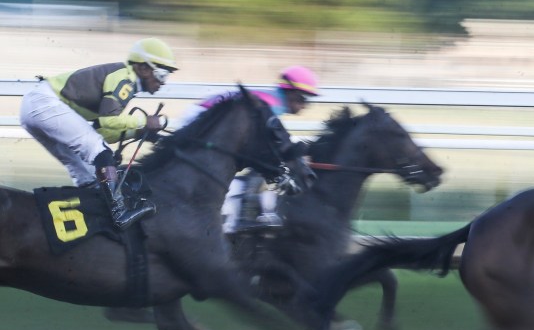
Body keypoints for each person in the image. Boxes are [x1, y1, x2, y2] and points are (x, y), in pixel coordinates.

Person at [19, 37, 177, 229]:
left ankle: (92, 216)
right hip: (44, 104)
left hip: (36, 107)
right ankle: (120, 213)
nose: (163, 82)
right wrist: (145, 121)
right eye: (161, 74)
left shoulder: (126, 81)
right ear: (143, 68)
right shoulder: (125, 78)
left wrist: (137, 132)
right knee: (99, 152)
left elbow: (104, 132)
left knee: (85, 173)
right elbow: (108, 120)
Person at [176, 66, 319, 233]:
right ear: (291, 93)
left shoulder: (273, 100)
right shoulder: (273, 104)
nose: (304, 106)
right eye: (303, 99)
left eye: (307, 101)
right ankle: (243, 210)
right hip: (198, 118)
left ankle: (243, 205)